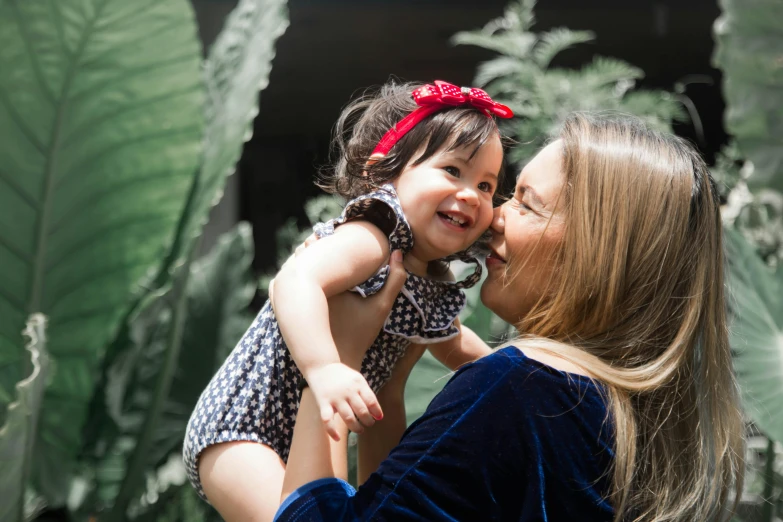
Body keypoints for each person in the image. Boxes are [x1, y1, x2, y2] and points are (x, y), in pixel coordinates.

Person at [273, 113, 746, 522]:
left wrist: (338, 358)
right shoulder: (621, 412)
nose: (494, 215)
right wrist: (390, 386)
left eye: (525, 203)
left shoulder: (517, 388)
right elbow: (392, 502)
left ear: (594, 251)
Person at [183, 80, 514, 521]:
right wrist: (324, 368)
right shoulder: (375, 232)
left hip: (310, 424)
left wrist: (512, 374)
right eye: (453, 171)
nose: (472, 194)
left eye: (488, 185)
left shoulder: (430, 274)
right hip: (244, 426)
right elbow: (294, 281)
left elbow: (454, 345)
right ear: (389, 170)